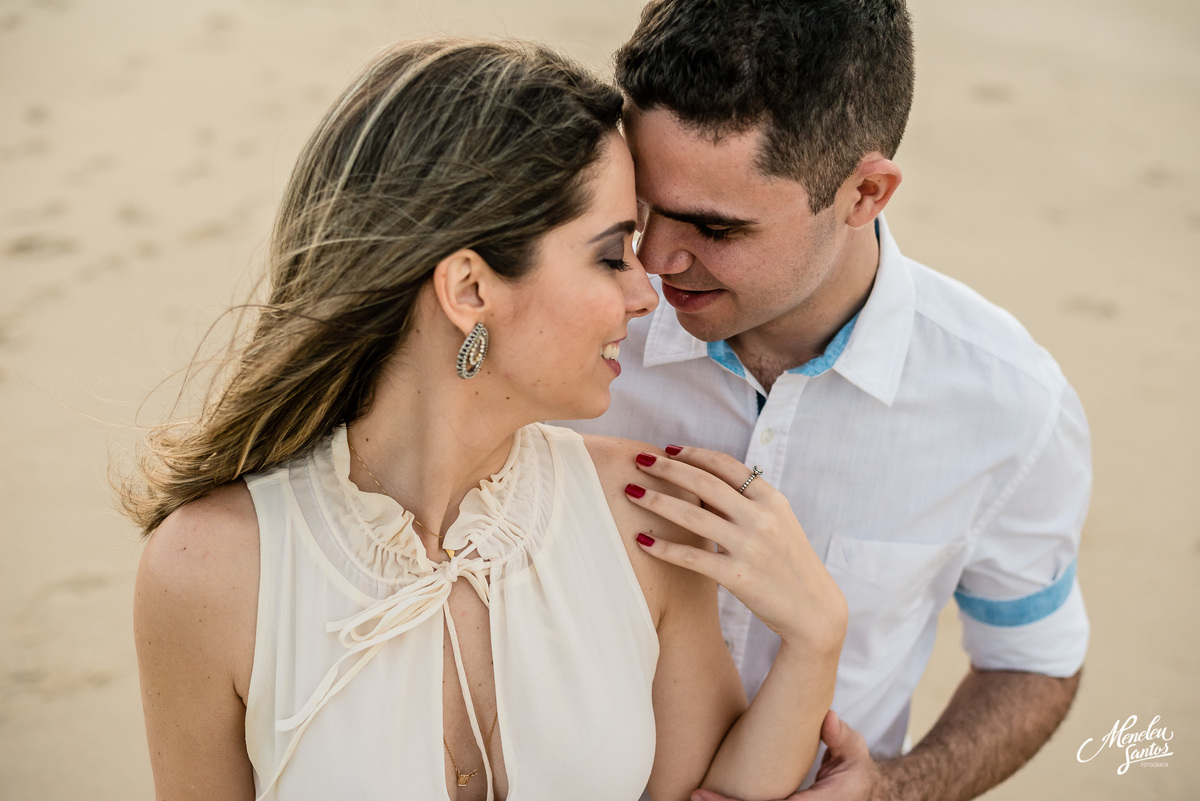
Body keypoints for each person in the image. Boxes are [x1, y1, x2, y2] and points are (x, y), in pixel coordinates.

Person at [121, 39, 848, 801]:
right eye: (610, 255)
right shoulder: (207, 572)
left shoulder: (643, 513)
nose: (646, 294)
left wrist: (816, 640)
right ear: (469, 288)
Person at [565, 2, 1092, 799]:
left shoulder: (1012, 405)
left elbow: (1031, 660)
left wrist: (897, 788)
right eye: (644, 203)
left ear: (864, 193)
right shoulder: (560, 333)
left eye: (716, 227)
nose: (657, 258)